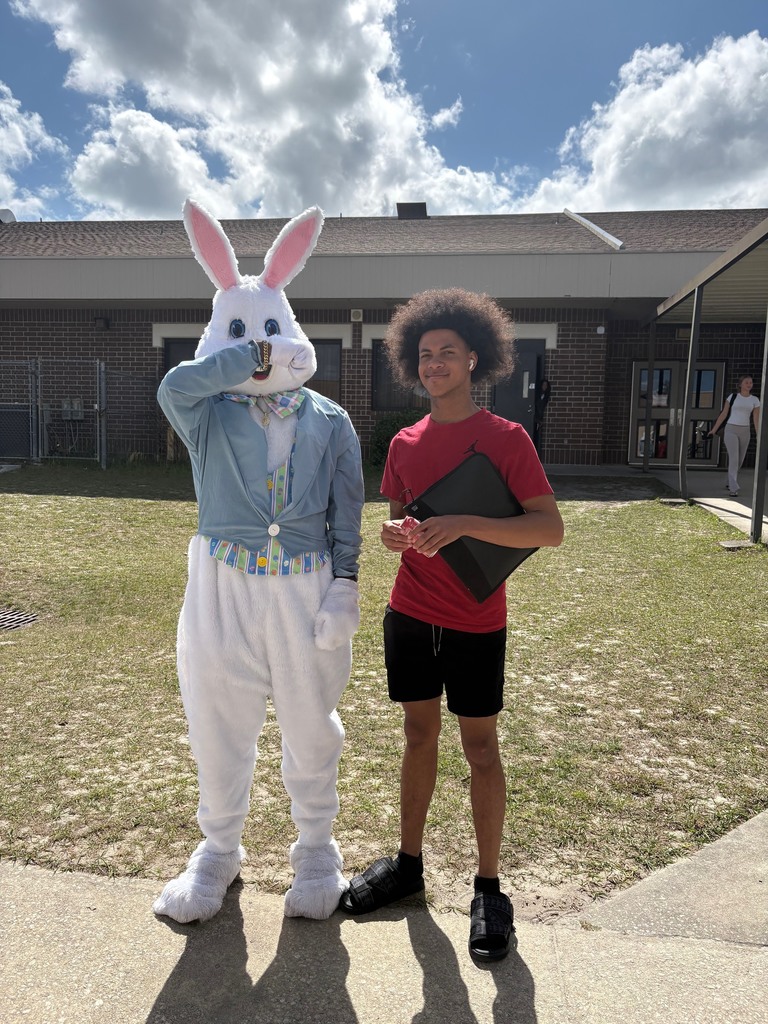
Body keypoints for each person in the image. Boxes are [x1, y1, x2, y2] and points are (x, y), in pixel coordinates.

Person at [339, 288, 564, 961]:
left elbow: (548, 529)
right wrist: (394, 535)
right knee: (416, 734)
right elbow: (396, 522)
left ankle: (489, 890)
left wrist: (464, 522)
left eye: (448, 353)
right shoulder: (405, 441)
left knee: (483, 751)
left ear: (476, 356)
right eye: (425, 355)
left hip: (475, 617)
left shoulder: (505, 438)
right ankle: (408, 868)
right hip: (409, 612)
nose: (435, 363)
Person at [708, 375, 761, 496]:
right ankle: (733, 488)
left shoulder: (755, 400)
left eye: (751, 383)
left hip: (745, 431)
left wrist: (758, 434)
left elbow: (756, 418)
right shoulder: (732, 397)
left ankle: (729, 480)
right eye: (746, 382)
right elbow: (723, 414)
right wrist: (714, 430)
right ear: (740, 384)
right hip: (731, 429)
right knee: (734, 458)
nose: (749, 384)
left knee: (740, 460)